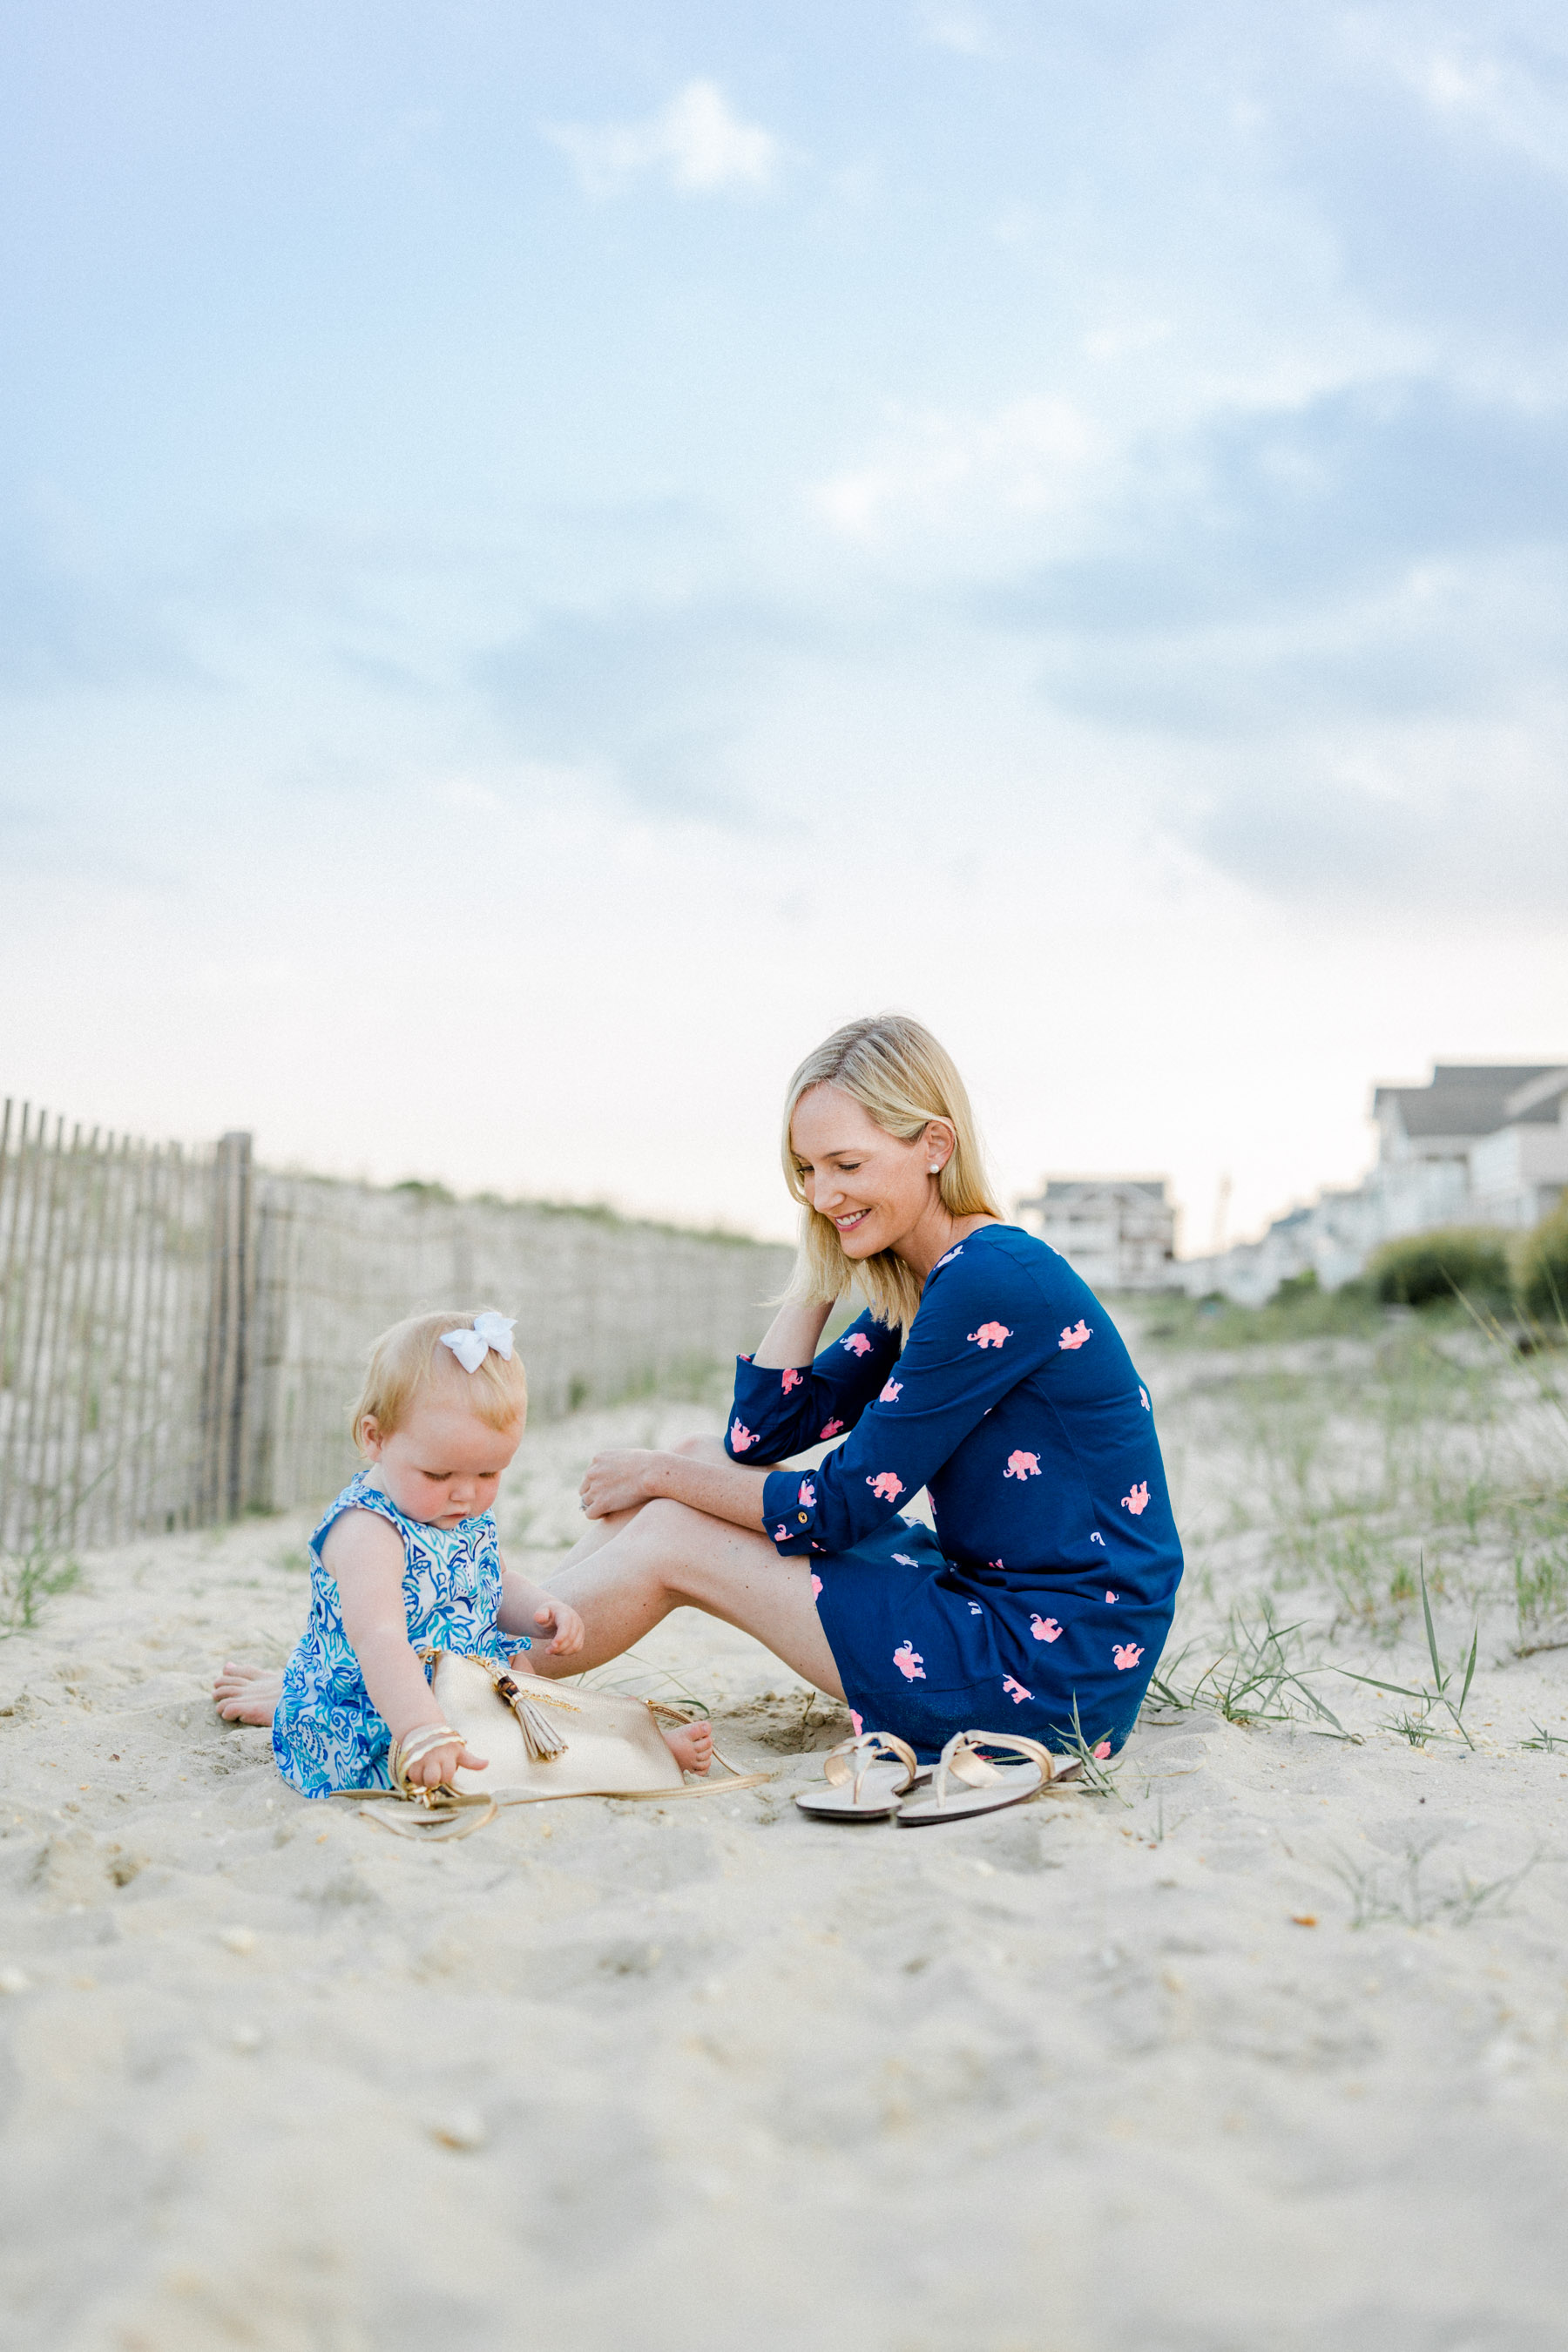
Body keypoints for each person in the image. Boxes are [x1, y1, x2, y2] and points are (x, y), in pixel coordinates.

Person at [531, 1013, 1183, 1762]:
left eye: (847, 1165)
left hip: (1050, 1663)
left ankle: (484, 1678)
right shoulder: (927, 1283)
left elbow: (840, 1507)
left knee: (673, 1520)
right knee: (694, 1455)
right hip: (997, 1611)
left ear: (934, 1146)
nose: (820, 1193)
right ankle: (482, 1640)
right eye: (806, 1171)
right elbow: (759, 1436)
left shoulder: (990, 1280)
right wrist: (823, 1260)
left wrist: (655, 1476)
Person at [213, 1308, 713, 1793]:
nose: (465, 1495)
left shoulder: (455, 1510)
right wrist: (421, 1728)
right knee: (505, 1754)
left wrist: (539, 1610)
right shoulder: (368, 1531)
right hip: (384, 1714)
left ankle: (629, 1744)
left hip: (472, 1684)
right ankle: (633, 1757)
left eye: (488, 1474)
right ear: (376, 1438)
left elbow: (487, 1582)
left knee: (539, 1696)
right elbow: (380, 1639)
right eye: (439, 1474)